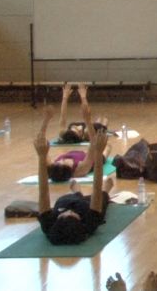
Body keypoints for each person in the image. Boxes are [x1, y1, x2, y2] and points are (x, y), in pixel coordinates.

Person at [35, 105, 111, 245]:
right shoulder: (90, 222)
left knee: (73, 198)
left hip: (66, 200)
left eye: (65, 215)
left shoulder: (48, 224)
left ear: (57, 220)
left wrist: (41, 156)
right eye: (73, 215)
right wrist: (98, 153)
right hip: (85, 205)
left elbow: (43, 191)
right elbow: (96, 187)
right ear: (80, 221)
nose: (70, 212)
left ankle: (77, 192)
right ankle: (104, 189)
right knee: (102, 199)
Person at [46, 102, 111, 182]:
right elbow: (93, 143)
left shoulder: (54, 168)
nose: (58, 161)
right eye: (60, 163)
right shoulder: (80, 170)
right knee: (107, 146)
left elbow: (43, 153)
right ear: (65, 169)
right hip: (96, 157)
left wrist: (46, 120)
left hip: (81, 153)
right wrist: (87, 120)